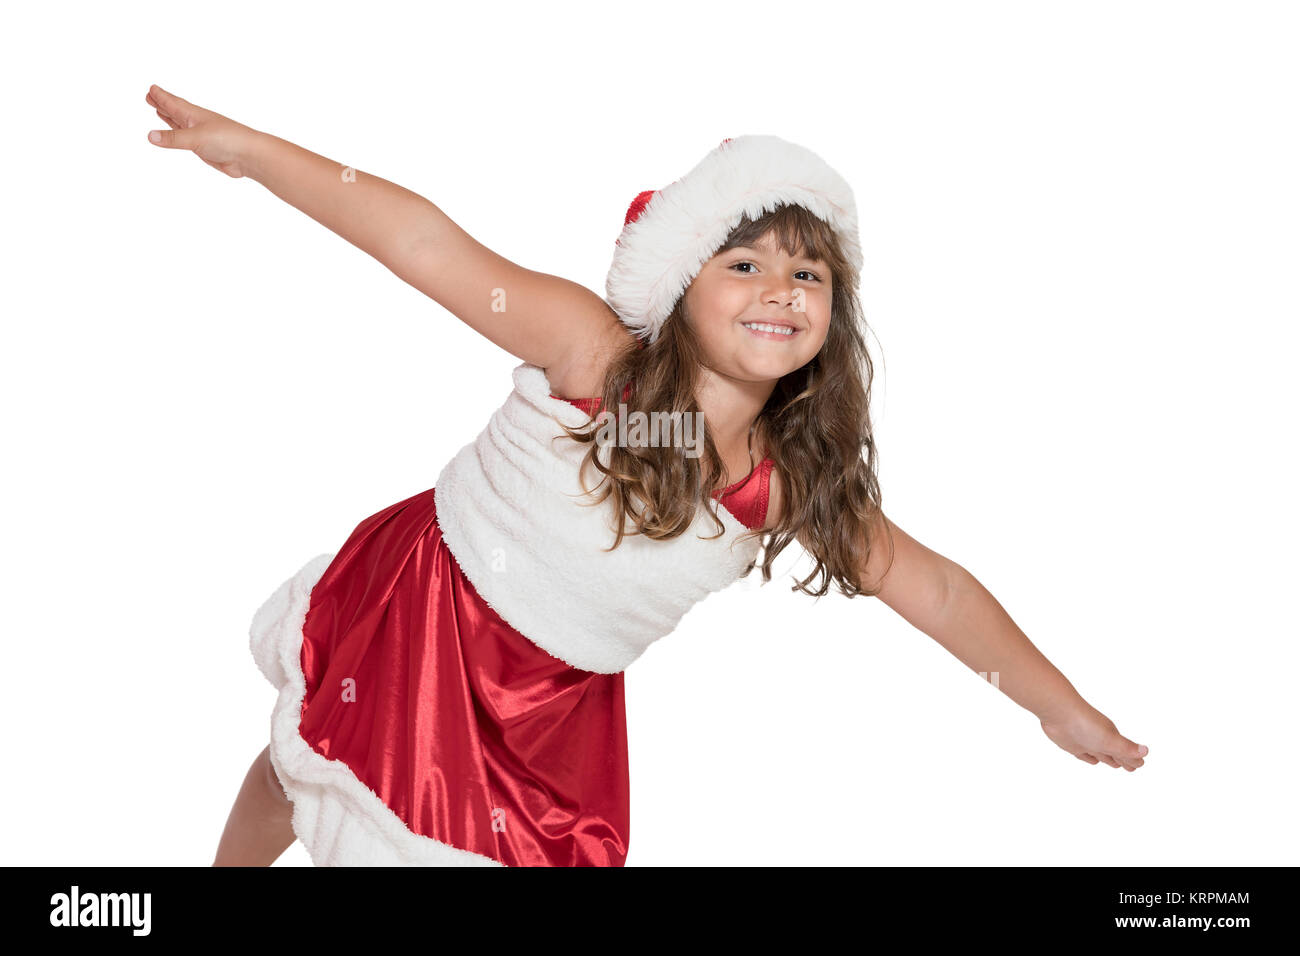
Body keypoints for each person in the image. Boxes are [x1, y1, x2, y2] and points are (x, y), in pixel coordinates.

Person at [144, 85, 1148, 867]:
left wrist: (1055, 704)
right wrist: (255, 153)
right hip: (430, 603)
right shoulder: (594, 357)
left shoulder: (781, 482)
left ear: (831, 315)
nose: (779, 291)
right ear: (680, 286)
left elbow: (935, 587)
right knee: (304, 766)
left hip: (550, 699)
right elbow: (424, 242)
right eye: (744, 263)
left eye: (807, 274)